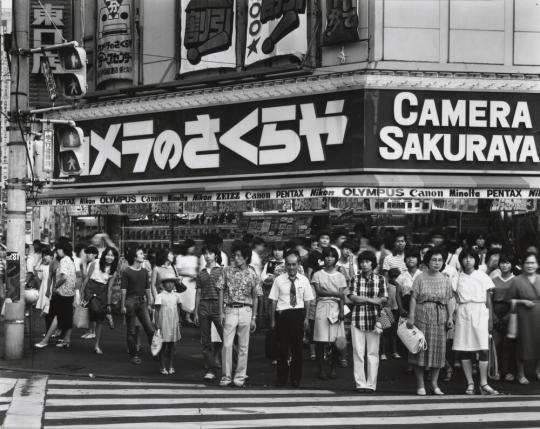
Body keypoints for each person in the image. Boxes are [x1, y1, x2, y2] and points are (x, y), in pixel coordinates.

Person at [407, 247, 454, 396]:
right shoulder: (420, 278)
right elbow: (413, 298)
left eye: (440, 260)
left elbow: (449, 300)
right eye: (434, 259)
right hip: (422, 315)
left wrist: (450, 317)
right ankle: (420, 385)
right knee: (420, 351)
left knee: (439, 351)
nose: (437, 263)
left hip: (440, 317)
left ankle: (434, 384)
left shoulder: (446, 279)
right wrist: (411, 316)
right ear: (427, 261)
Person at [453, 249, 499, 395]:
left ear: (476, 260)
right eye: (465, 258)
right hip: (463, 311)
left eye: (471, 258)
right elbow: (453, 298)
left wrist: (490, 318)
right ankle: (470, 383)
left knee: (483, 349)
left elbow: (488, 299)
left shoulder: (482, 276)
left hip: (480, 311)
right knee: (465, 348)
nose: (468, 260)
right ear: (461, 260)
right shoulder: (456, 277)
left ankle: (484, 383)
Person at [269, 250, 314, 388]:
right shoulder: (279, 280)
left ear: (299, 264)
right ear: (285, 265)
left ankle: (295, 379)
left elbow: (307, 301)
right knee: (282, 349)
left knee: (297, 350)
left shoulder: (304, 280)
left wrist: (306, 318)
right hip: (283, 315)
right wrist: (273, 320)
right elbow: (273, 301)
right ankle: (281, 378)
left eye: (294, 264)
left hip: (298, 315)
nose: (291, 267)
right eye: (288, 264)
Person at [220, 240, 259, 387]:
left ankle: (240, 377)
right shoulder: (227, 270)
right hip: (230, 309)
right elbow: (221, 290)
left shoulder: (253, 273)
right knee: (227, 345)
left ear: (246, 257)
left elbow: (256, 297)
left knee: (244, 346)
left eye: (239, 256)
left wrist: (254, 317)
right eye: (235, 255)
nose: (236, 258)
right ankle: (226, 376)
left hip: (246, 310)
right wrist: (221, 312)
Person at [348, 250, 388, 392]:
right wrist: (372, 300)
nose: (364, 264)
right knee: (358, 352)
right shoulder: (355, 279)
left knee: (373, 353)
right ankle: (360, 384)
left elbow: (384, 299)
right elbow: (352, 298)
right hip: (357, 318)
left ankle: (371, 384)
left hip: (375, 319)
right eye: (362, 262)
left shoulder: (380, 279)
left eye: (367, 261)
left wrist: (363, 299)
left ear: (372, 263)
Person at [312, 246, 347, 380]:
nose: (329, 259)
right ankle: (321, 369)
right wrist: (335, 293)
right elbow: (319, 291)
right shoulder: (317, 274)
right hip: (322, 305)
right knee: (320, 340)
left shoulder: (340, 276)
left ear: (335, 258)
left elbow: (342, 296)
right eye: (327, 256)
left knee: (336, 341)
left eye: (332, 256)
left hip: (336, 307)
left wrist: (342, 311)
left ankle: (333, 368)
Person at [35, 240, 77, 349]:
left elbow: (64, 277)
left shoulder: (63, 261)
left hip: (62, 293)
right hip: (70, 293)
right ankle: (66, 340)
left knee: (56, 317)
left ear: (62, 249)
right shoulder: (71, 260)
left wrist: (55, 287)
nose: (57, 251)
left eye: (58, 249)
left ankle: (46, 340)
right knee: (67, 317)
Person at [506, 251, 540, 384]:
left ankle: (538, 370)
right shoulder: (516, 280)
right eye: (527, 262)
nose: (530, 265)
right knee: (523, 344)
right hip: (523, 316)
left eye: (532, 262)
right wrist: (522, 302)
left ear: (537, 264)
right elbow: (509, 300)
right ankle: (520, 374)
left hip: (539, 316)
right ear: (522, 264)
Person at [80, 246, 119, 354]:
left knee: (99, 320)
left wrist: (109, 303)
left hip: (103, 291)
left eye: (112, 256)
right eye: (108, 254)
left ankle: (97, 345)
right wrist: (82, 292)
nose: (109, 257)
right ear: (104, 255)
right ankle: (107, 314)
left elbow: (110, 288)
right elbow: (87, 278)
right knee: (97, 310)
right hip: (91, 289)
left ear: (115, 258)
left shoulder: (113, 271)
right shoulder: (95, 263)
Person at [194, 244, 224, 381]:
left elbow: (225, 291)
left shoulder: (222, 270)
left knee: (226, 337)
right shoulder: (201, 273)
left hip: (218, 305)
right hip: (204, 306)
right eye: (205, 253)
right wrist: (195, 312)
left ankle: (231, 366)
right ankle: (210, 369)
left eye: (210, 253)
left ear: (216, 255)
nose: (207, 256)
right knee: (206, 341)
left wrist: (223, 309)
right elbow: (198, 293)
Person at [121, 247, 155, 365]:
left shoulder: (144, 271)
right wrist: (122, 306)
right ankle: (133, 355)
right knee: (131, 331)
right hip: (130, 302)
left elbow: (147, 288)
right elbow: (123, 290)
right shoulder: (126, 271)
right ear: (135, 257)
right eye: (140, 253)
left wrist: (150, 302)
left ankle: (155, 352)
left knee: (150, 329)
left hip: (142, 302)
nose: (143, 255)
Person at [490, 253, 516, 382]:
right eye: (502, 262)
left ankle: (509, 371)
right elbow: (489, 299)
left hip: (511, 312)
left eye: (507, 262)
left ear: (512, 265)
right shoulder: (493, 280)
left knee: (509, 344)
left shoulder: (516, 280)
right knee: (497, 344)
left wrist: (508, 315)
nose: (504, 265)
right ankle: (497, 370)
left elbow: (516, 300)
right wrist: (493, 315)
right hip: (496, 311)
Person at [155, 276, 184, 375]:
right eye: (167, 283)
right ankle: (162, 366)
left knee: (172, 346)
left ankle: (171, 366)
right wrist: (157, 323)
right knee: (163, 345)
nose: (170, 285)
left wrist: (179, 320)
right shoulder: (160, 296)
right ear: (163, 285)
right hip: (163, 321)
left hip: (173, 322)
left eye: (172, 283)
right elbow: (157, 310)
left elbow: (180, 308)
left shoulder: (177, 296)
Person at [175, 239, 199, 323]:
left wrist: (196, 275)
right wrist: (189, 274)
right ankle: (180, 317)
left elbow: (197, 269)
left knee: (192, 298)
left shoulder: (195, 258)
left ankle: (188, 316)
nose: (193, 249)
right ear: (187, 247)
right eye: (191, 247)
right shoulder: (180, 257)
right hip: (184, 281)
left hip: (193, 281)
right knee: (182, 299)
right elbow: (178, 271)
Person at [381, 267, 401, 360]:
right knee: (385, 332)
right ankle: (383, 353)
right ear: (389, 277)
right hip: (386, 310)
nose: (395, 279)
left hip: (395, 310)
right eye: (393, 277)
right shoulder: (387, 286)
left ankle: (394, 351)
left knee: (393, 332)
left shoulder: (399, 286)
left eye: (396, 277)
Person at [396, 248, 422, 318]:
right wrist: (401, 309)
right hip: (405, 309)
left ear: (418, 259)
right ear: (405, 260)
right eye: (408, 257)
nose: (410, 259)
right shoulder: (401, 277)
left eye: (413, 257)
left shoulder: (422, 275)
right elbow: (398, 294)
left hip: (420, 308)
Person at [36, 247, 53, 328]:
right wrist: (40, 262)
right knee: (46, 310)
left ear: (51, 256)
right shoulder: (42, 266)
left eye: (47, 255)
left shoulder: (54, 265)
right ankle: (48, 330)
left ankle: (52, 330)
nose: (45, 257)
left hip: (51, 288)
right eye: (44, 256)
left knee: (50, 310)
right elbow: (39, 276)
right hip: (44, 288)